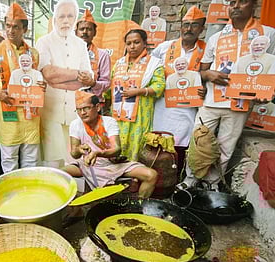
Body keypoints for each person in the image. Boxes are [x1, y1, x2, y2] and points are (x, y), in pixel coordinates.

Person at [182, 0, 275, 188]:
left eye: (242, 2)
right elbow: (202, 70)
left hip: (240, 103)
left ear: (254, 5)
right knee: (198, 140)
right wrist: (208, 74)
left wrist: (266, 92)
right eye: (232, 2)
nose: (236, 6)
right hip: (211, 101)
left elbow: (271, 69)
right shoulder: (216, 37)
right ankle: (189, 181)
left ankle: (212, 184)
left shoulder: (269, 34)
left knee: (226, 146)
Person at [63, 91, 157, 198]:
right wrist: (79, 149)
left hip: (111, 165)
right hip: (87, 166)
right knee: (59, 174)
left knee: (151, 175)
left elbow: (117, 150)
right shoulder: (76, 124)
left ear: (97, 107)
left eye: (86, 108)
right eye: (79, 110)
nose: (82, 113)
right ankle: (73, 209)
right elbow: (74, 154)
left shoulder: (109, 122)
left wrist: (98, 153)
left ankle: (137, 207)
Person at [0, 3, 45, 173]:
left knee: (31, 160)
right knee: (9, 159)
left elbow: (35, 79)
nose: (10, 31)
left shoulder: (33, 53)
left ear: (24, 30)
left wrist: (42, 85)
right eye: (8, 26)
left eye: (16, 27)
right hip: (8, 112)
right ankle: (13, 195)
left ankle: (27, 194)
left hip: (30, 115)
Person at [35, 0, 92, 167]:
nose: (66, 21)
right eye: (61, 16)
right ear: (55, 18)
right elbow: (48, 74)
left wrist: (59, 79)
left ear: (75, 19)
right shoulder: (44, 42)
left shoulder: (80, 45)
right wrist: (75, 76)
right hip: (51, 110)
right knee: (52, 159)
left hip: (74, 111)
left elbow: (87, 76)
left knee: (73, 158)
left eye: (70, 16)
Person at [152, 6, 206, 178]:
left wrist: (205, 89)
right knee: (159, 139)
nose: (189, 29)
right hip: (163, 104)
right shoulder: (164, 47)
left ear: (202, 28)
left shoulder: (206, 50)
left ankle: (176, 180)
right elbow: (150, 69)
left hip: (188, 107)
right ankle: (157, 178)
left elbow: (209, 77)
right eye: (186, 24)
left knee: (182, 140)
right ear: (180, 26)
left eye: (194, 25)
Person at [111, 28, 165, 161]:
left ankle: (136, 177)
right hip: (118, 114)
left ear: (144, 43)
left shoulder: (153, 63)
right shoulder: (119, 63)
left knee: (137, 146)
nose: (132, 46)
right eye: (128, 43)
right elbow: (110, 85)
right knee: (117, 145)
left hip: (140, 114)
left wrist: (139, 91)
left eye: (136, 42)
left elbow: (159, 86)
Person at [75, 9, 111, 100]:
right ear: (76, 32)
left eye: (89, 29)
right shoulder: (67, 53)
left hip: (93, 103)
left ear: (95, 33)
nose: (84, 32)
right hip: (70, 101)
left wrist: (93, 83)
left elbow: (106, 83)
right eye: (82, 29)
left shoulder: (103, 55)